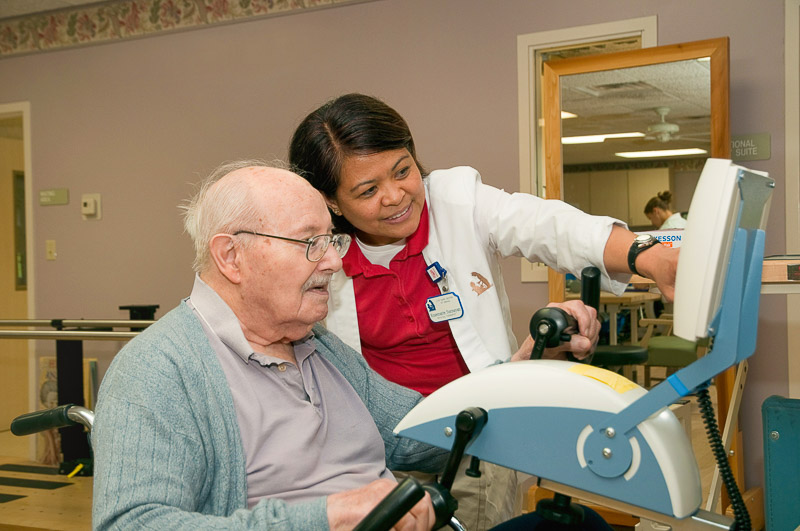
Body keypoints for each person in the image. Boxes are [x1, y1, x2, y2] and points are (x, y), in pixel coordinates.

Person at [91, 160, 612, 531]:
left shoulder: (317, 347)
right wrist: (328, 518)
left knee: (572, 525)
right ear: (231, 257)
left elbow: (420, 432)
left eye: (333, 240)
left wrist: (525, 365)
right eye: (310, 243)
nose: (335, 262)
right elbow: (131, 524)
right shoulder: (159, 369)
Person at [289, 93, 679, 529]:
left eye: (402, 171)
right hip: (380, 450)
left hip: (476, 436)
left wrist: (647, 254)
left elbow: (550, 227)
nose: (395, 196)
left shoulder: (455, 201)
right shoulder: (319, 256)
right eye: (368, 190)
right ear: (332, 202)